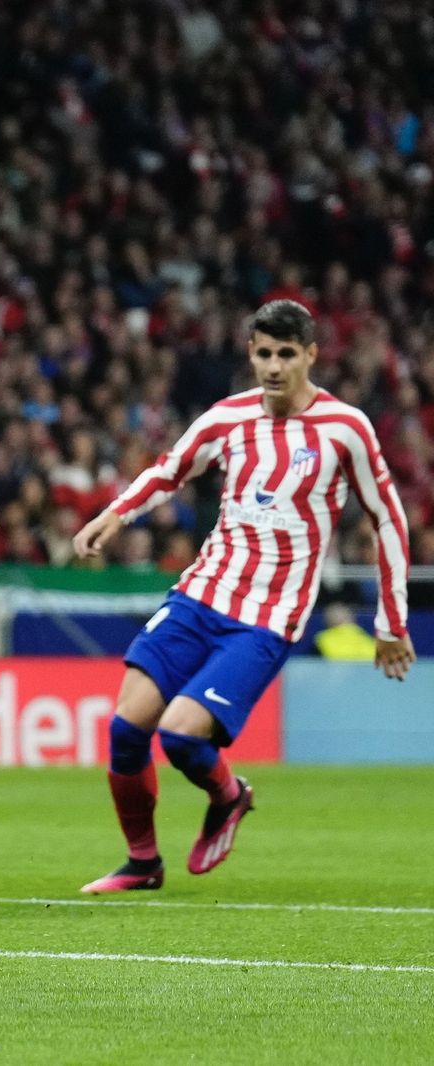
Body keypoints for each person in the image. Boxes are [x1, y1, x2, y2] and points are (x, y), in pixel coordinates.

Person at [73, 300, 415, 894]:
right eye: (263, 353)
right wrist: (116, 514)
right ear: (251, 353)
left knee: (181, 736)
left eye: (286, 354)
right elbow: (170, 470)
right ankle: (143, 863)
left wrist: (392, 620)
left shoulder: (345, 428)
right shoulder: (226, 418)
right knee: (127, 730)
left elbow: (387, 519)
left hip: (267, 618)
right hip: (201, 594)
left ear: (311, 354)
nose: (274, 366)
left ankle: (228, 795)